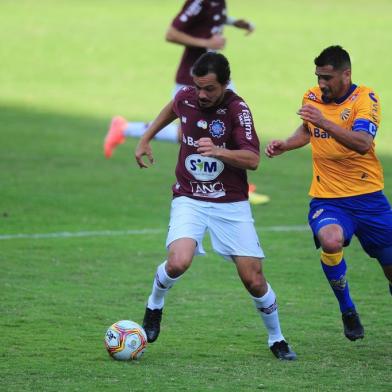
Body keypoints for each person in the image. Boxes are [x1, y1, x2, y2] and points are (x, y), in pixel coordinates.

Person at [134, 52, 296, 360]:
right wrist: (146, 138)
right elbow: (173, 107)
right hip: (190, 197)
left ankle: (277, 338)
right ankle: (154, 306)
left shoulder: (238, 110)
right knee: (178, 261)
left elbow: (253, 159)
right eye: (198, 87)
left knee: (254, 279)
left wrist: (220, 151)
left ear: (225, 84)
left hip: (230, 203)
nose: (202, 94)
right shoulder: (188, 97)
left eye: (210, 89)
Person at [265, 45, 392, 342]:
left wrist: (324, 121)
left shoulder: (366, 99)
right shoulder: (312, 97)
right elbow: (308, 130)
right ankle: (348, 309)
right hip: (329, 198)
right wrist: (287, 144)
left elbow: (361, 142)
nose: (322, 84)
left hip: (369, 198)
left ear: (346, 74)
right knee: (330, 240)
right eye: (318, 76)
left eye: (328, 77)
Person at [103, 0, 269, 205]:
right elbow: (171, 33)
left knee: (210, 131)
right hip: (195, 79)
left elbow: (208, 20)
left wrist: (233, 22)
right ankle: (127, 129)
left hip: (214, 78)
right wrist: (207, 43)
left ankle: (126, 128)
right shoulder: (198, 2)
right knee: (210, 131)